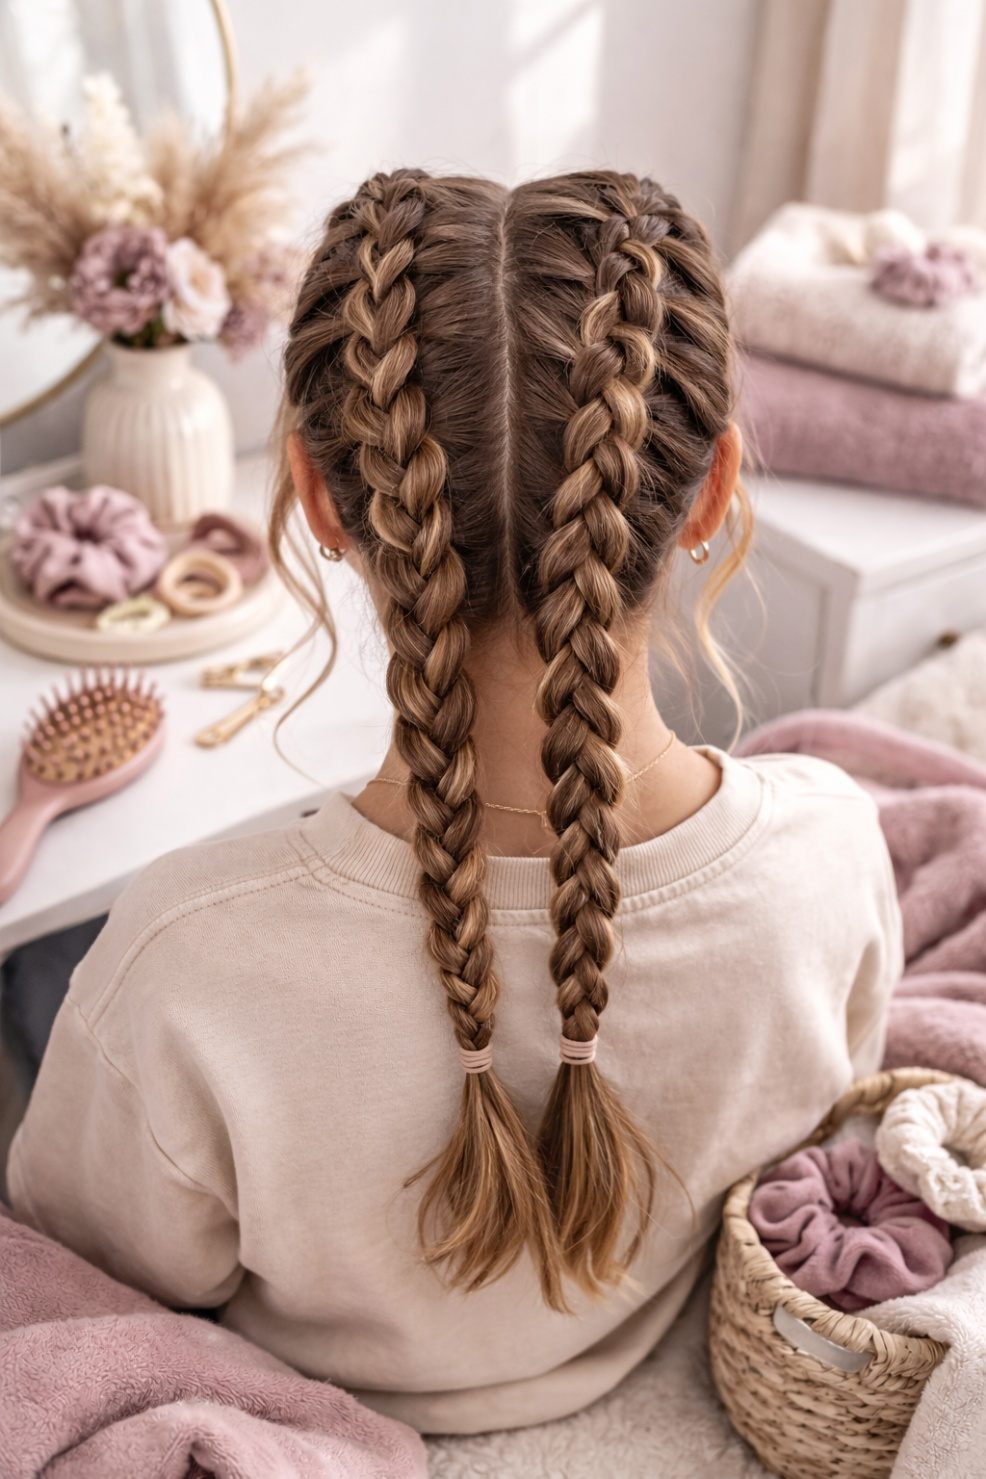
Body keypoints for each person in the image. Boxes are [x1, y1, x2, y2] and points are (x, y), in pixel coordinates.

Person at [6, 171, 902, 1435]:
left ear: (315, 498)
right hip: (628, 1337)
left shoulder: (176, 963)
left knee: (42, 984)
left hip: (323, 1372)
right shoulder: (831, 844)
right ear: (711, 494)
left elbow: (90, 1284)